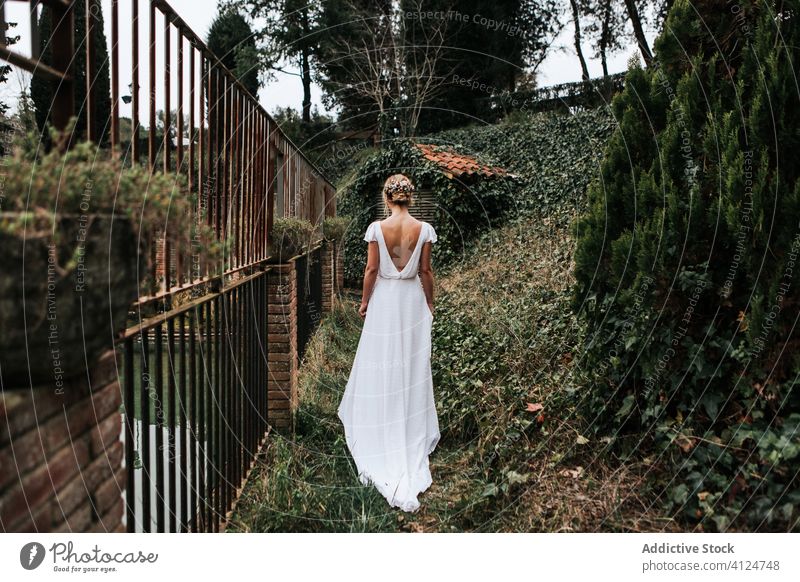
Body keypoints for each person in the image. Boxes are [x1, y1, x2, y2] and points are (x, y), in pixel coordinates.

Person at [337, 173, 441, 513]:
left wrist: (365, 302)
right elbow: (425, 272)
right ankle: (409, 425)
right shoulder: (423, 229)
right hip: (411, 301)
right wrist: (430, 303)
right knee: (410, 364)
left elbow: (370, 270)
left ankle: (380, 423)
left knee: (380, 361)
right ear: (409, 198)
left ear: (387, 197)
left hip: (384, 301)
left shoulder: (376, 228)